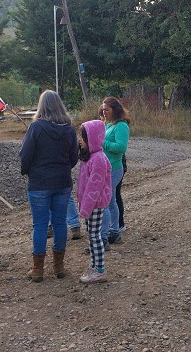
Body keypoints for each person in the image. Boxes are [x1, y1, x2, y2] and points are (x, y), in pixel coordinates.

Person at [19, 90, 79, 282]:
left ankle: (38, 270)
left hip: (39, 183)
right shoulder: (69, 129)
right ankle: (59, 267)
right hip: (62, 182)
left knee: (40, 225)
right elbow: (73, 158)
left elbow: (25, 155)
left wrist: (27, 171)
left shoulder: (36, 127)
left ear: (41, 105)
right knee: (60, 223)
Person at [75, 120, 113, 283]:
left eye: (83, 137)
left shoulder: (98, 159)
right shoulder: (90, 156)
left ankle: (100, 270)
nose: (79, 140)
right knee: (91, 235)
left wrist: (85, 208)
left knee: (94, 235)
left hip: (95, 204)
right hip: (90, 204)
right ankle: (94, 265)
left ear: (92, 138)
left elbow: (93, 187)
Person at [100, 96, 130, 245]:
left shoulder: (121, 126)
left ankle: (105, 236)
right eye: (103, 109)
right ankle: (114, 231)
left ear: (115, 110)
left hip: (114, 168)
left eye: (107, 109)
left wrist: (102, 143)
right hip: (105, 168)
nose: (104, 112)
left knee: (106, 201)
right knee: (111, 201)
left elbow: (121, 147)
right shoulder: (108, 124)